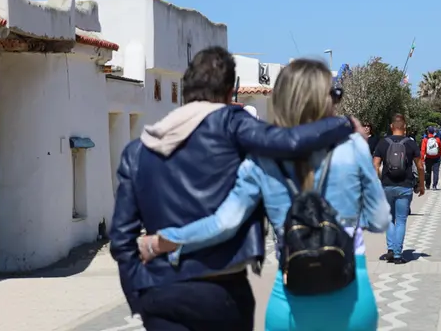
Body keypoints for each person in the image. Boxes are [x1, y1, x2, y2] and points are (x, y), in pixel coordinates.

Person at [109, 47, 364, 331]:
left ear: (186, 88)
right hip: (222, 291)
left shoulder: (138, 150)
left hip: (158, 294)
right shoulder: (231, 123)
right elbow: (289, 142)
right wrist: (343, 124)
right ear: (231, 91)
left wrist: (138, 295)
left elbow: (121, 239)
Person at [373, 114, 425, 264]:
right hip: (405, 186)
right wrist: (421, 185)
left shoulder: (383, 143)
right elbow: (420, 166)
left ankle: (390, 249)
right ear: (405, 127)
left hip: (387, 186)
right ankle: (397, 254)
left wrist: (379, 179)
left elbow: (375, 165)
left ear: (391, 127)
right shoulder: (410, 143)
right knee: (401, 221)